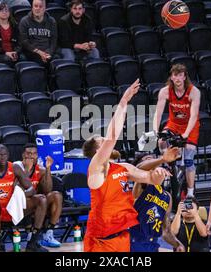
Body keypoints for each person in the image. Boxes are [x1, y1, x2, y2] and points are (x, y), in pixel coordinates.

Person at [82, 79, 172, 252]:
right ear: (96, 153)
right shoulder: (96, 169)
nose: (107, 143)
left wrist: (159, 172)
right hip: (100, 240)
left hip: (124, 236)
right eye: (102, 143)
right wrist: (123, 102)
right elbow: (113, 136)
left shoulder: (123, 168)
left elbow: (149, 178)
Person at [152, 64, 200, 198]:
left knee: (189, 158)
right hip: (174, 124)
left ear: (185, 77)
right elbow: (158, 112)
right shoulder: (165, 91)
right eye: (175, 75)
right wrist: (156, 130)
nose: (177, 78)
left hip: (190, 125)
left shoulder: (194, 91)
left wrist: (185, 135)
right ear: (171, 77)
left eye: (180, 75)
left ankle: (190, 192)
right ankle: (168, 163)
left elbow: (194, 115)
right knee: (162, 141)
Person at [129, 149, 185, 252]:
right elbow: (139, 169)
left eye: (152, 159)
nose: (151, 162)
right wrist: (162, 159)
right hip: (134, 241)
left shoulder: (167, 196)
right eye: (147, 160)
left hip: (153, 243)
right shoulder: (141, 185)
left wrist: (178, 244)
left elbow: (166, 230)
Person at [14, 143, 63, 248]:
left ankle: (48, 233)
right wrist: (26, 170)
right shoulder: (16, 167)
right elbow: (17, 192)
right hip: (19, 204)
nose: (31, 156)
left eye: (34, 154)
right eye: (29, 153)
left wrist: (48, 169)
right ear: (23, 155)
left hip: (38, 203)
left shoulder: (40, 169)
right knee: (38, 199)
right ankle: (31, 233)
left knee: (56, 195)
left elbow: (47, 189)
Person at [19, 0, 57, 66]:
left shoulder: (51, 21)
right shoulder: (24, 21)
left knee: (57, 61)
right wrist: (39, 52)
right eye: (35, 6)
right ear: (32, 7)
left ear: (45, 8)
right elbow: (24, 41)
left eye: (40, 6)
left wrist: (48, 53)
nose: (37, 9)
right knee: (39, 61)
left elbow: (54, 40)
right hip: (32, 52)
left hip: (47, 52)